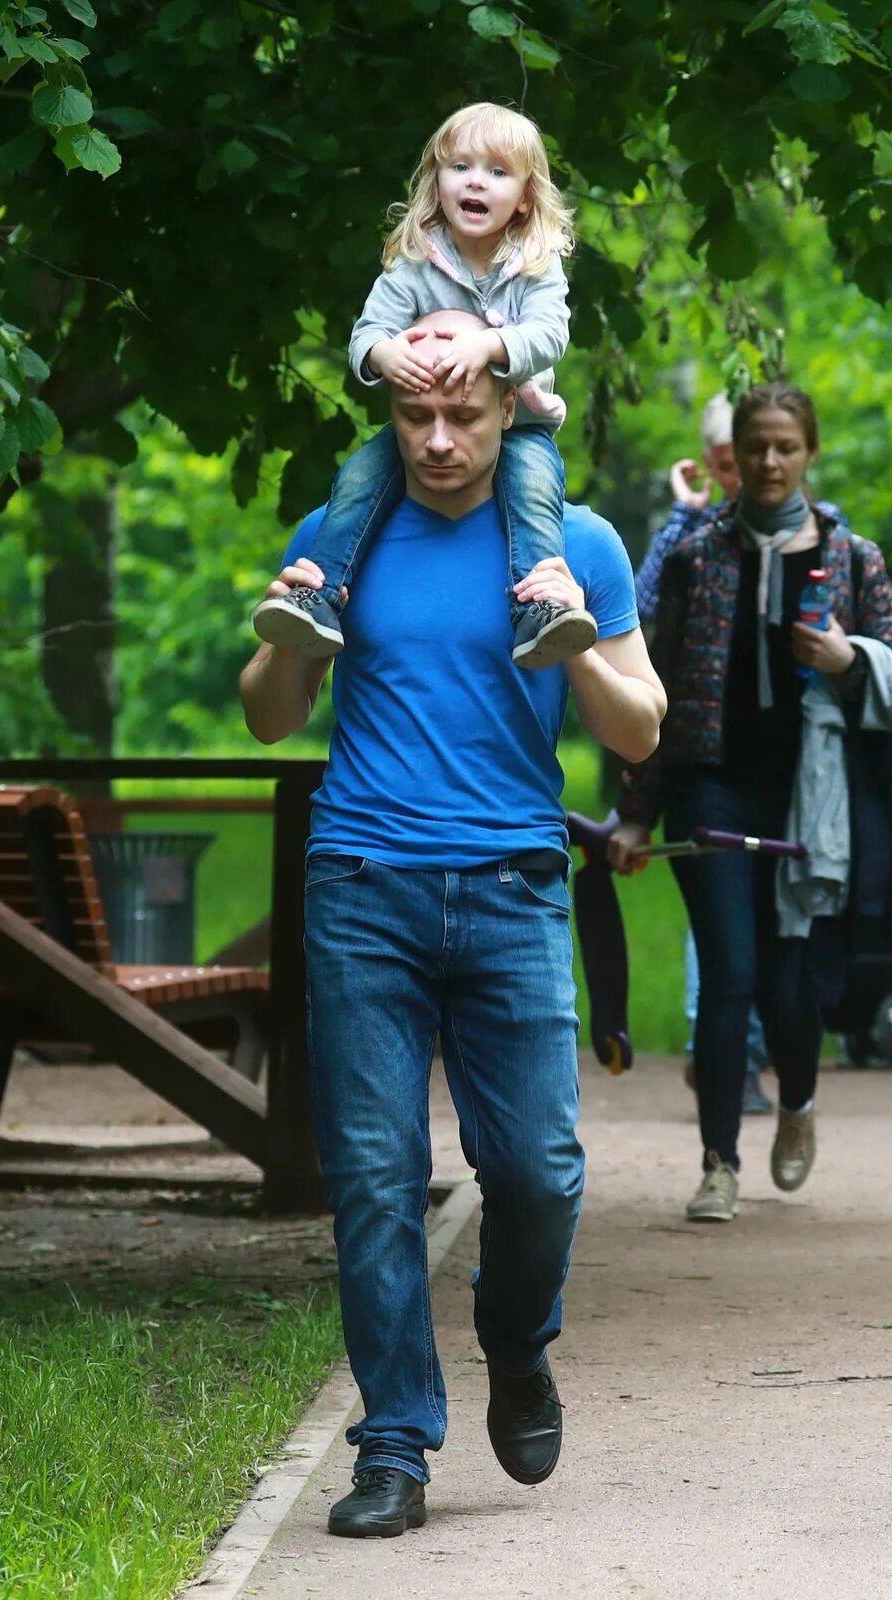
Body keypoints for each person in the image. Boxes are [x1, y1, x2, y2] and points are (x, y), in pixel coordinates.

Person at [240, 308, 665, 1540]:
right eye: (414, 415)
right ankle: (392, 1447)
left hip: (513, 885)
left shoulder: (573, 537)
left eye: (462, 415)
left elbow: (639, 728)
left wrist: (571, 638)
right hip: (361, 880)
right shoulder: (345, 529)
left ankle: (518, 1343)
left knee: (538, 1171)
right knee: (376, 1180)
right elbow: (272, 714)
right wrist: (287, 613)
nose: (436, 440)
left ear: (509, 404)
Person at [605, 382, 892, 1223]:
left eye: (786, 447)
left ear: (810, 453)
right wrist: (635, 811)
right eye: (756, 447)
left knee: (788, 983)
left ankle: (798, 1102)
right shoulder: (695, 557)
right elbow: (650, 690)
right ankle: (716, 1163)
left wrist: (848, 660)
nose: (770, 463)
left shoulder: (855, 559)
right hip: (711, 782)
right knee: (729, 971)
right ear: (732, 453)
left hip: (813, 797)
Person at [251, 102, 596, 672]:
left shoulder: (535, 264)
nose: (476, 181)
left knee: (533, 489)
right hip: (429, 414)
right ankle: (320, 595)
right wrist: (385, 353)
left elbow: (549, 334)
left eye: (497, 172)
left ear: (526, 196)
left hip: (520, 426)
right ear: (438, 181)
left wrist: (489, 345)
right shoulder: (416, 261)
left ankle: (537, 609)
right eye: (460, 167)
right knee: (358, 477)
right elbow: (368, 334)